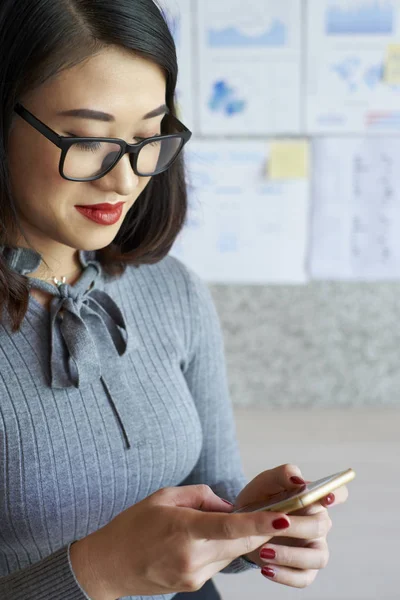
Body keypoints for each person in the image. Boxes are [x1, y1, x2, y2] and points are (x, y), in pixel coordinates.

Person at [0, 1, 349, 599]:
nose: (126, 179)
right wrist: (100, 570)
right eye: (87, 140)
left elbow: (208, 488)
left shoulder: (172, 290)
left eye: (146, 136)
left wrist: (252, 523)